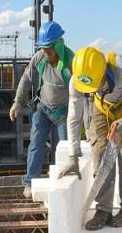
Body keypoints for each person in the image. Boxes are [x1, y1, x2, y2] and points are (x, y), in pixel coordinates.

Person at [58, 46, 122, 230]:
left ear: (104, 72)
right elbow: (74, 117)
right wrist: (73, 155)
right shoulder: (78, 79)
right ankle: (103, 210)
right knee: (99, 154)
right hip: (102, 108)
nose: (96, 89)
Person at [9, 21, 74, 198]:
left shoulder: (71, 63)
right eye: (43, 48)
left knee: (61, 148)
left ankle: (60, 183)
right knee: (36, 144)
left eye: (49, 48)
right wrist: (17, 102)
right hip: (43, 108)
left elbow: (81, 95)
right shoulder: (40, 58)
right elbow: (26, 79)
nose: (45, 52)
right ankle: (30, 181)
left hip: (63, 112)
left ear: (58, 45)